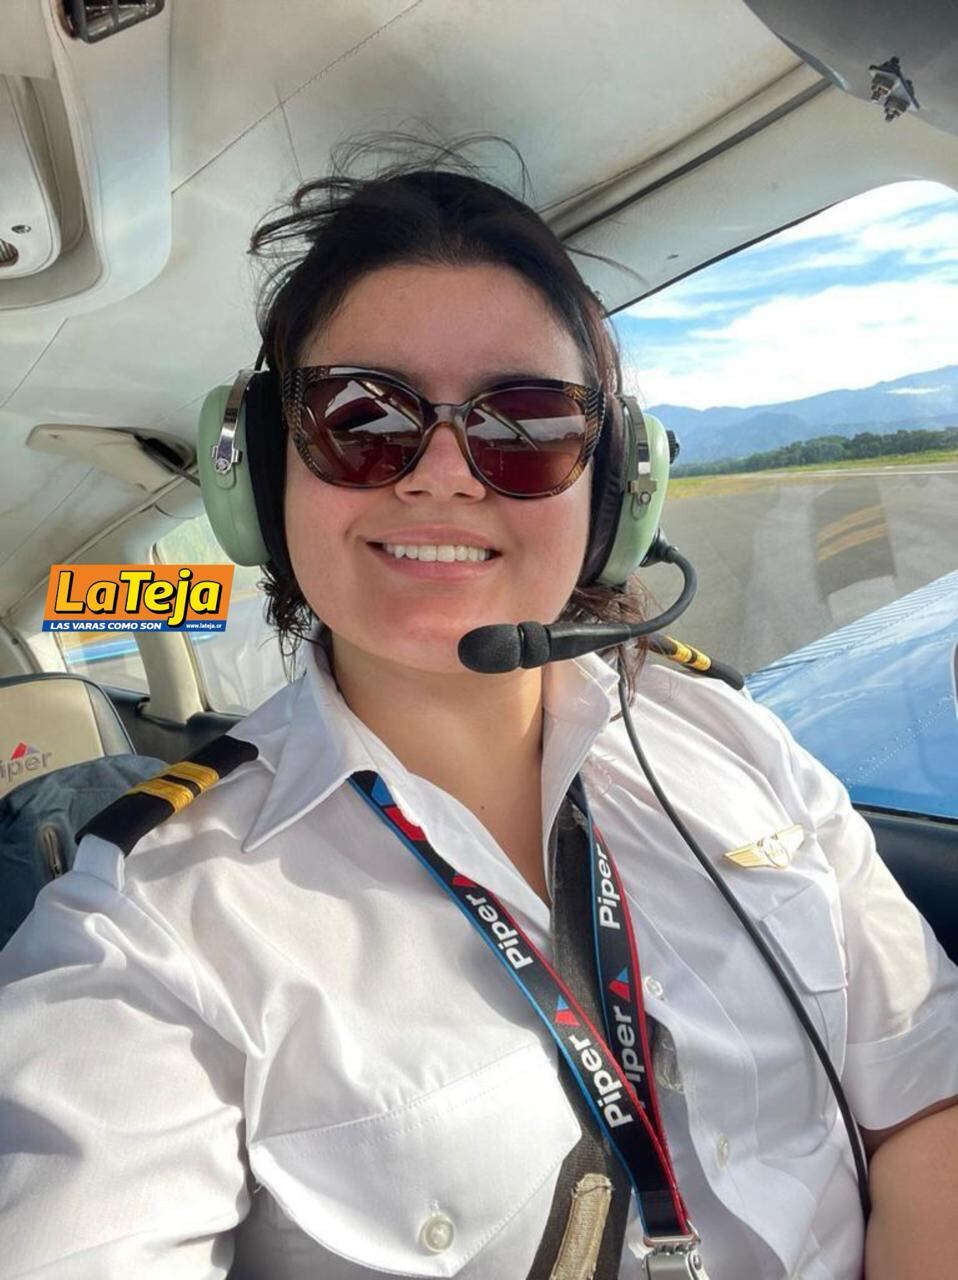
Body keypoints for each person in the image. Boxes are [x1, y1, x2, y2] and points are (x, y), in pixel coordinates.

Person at [1, 143, 957, 1280]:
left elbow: (924, 1095)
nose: (444, 473)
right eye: (362, 417)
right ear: (262, 472)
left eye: (526, 422)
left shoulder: (736, 741)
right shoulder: (147, 929)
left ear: (615, 487)